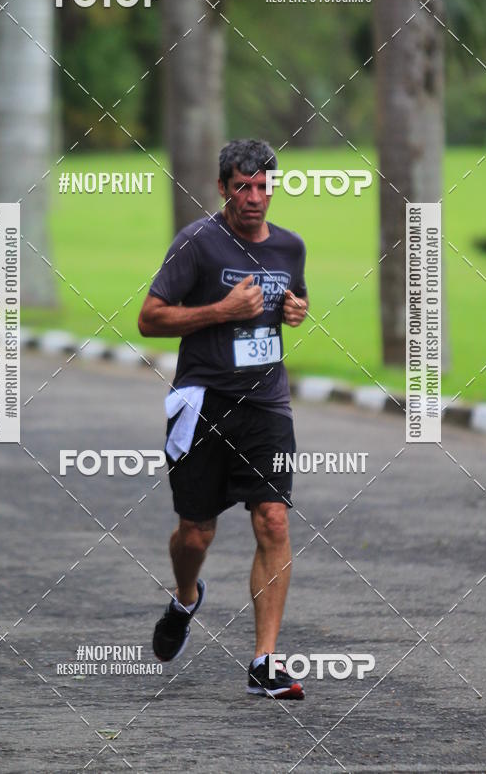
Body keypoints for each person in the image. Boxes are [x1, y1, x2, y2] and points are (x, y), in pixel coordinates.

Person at [138, 139, 309, 699]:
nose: (254, 198)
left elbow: (292, 303)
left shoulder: (290, 248)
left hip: (267, 408)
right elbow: (150, 319)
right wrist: (220, 311)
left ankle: (265, 662)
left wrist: (295, 311)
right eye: (243, 186)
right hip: (203, 404)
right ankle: (186, 597)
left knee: (274, 521)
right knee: (196, 531)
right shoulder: (198, 244)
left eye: (263, 186)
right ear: (223, 187)